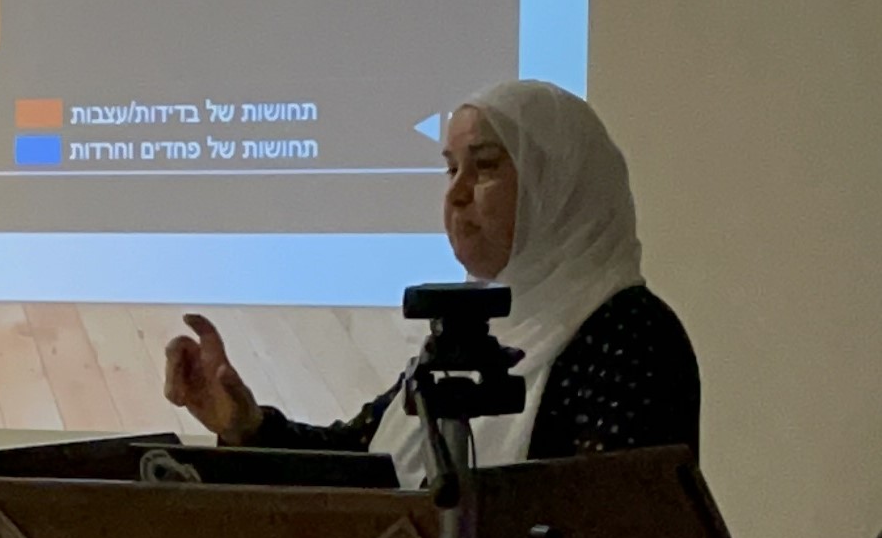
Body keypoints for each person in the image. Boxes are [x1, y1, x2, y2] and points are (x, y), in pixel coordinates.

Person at [164, 81, 700, 479]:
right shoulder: (476, 331)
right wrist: (249, 427)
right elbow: (362, 462)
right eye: (451, 169)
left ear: (558, 185)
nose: (457, 194)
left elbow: (617, 528)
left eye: (484, 166)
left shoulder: (629, 334)